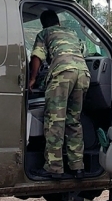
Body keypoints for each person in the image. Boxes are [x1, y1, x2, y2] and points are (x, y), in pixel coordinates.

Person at [28, 10, 91, 178]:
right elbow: (82, 52)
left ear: (43, 24)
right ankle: (77, 167)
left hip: (62, 74)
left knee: (55, 121)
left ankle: (53, 168)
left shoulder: (44, 33)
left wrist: (33, 78)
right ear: (58, 22)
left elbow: (37, 56)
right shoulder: (71, 33)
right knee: (73, 120)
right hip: (83, 74)